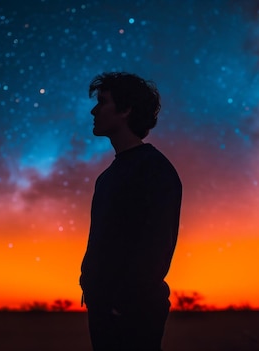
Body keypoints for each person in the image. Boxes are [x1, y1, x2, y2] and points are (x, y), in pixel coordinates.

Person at [80, 72, 182, 351]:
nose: (93, 110)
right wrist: (91, 287)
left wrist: (122, 304)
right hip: (105, 309)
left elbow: (158, 246)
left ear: (125, 110)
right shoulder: (108, 176)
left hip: (133, 313)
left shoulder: (153, 169)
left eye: (102, 102)